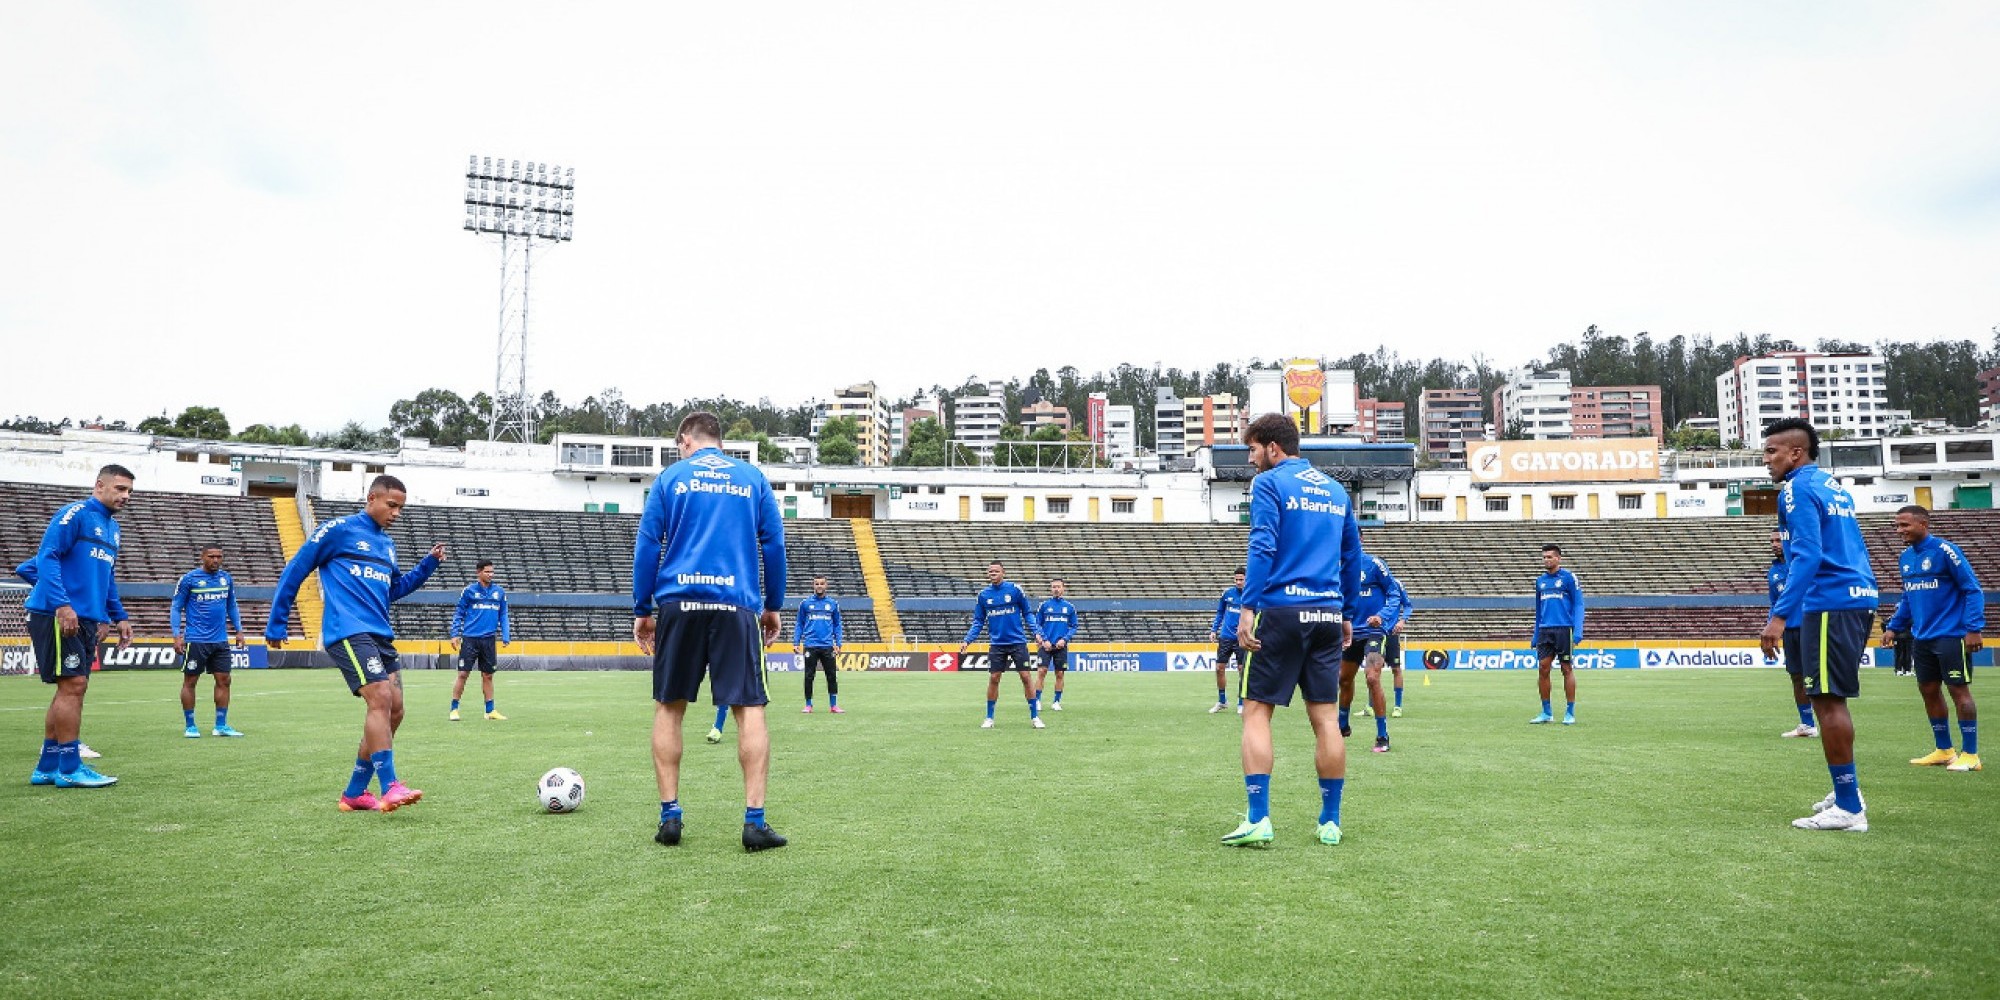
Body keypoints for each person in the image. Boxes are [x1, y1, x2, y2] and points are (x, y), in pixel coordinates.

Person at [633, 412, 788, 851]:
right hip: (735, 604)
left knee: (669, 707)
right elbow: (773, 544)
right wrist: (772, 605)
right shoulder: (751, 478)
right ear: (719, 441)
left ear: (685, 440)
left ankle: (670, 816)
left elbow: (648, 544)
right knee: (749, 707)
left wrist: (643, 609)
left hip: (678, 603)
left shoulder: (671, 478)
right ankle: (754, 822)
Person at [1223, 414, 1363, 848]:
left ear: (1273, 448)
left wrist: (1247, 608)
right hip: (1326, 613)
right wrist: (1347, 613)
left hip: (1281, 612)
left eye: (1253, 450)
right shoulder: (1337, 491)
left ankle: (1259, 817)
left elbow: (1262, 544)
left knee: (1256, 712)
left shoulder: (1269, 484)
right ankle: (1330, 822)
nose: (1251, 460)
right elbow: (1353, 557)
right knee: (1325, 719)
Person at [267, 475, 444, 813]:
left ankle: (354, 793)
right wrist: (277, 620)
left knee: (395, 710)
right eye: (391, 505)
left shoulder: (387, 545)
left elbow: (392, 590)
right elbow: (296, 568)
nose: (396, 513)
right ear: (372, 497)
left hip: (380, 633)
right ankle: (390, 786)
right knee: (379, 697)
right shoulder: (338, 530)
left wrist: (427, 566)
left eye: (401, 509)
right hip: (346, 630)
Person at [1758, 417, 1879, 831]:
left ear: (1797, 452)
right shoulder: (1831, 485)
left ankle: (1849, 808)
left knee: (1826, 702)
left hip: (1830, 600)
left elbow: (1808, 556)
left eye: (1773, 451)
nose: (1766, 459)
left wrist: (1778, 617)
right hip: (1855, 595)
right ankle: (1848, 791)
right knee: (1830, 700)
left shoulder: (1797, 488)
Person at [25, 465, 135, 789]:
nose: (126, 496)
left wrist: (119, 616)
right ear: (99, 485)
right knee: (73, 686)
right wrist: (62, 604)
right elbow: (47, 556)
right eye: (120, 488)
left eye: (129, 491)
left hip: (85, 617)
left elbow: (108, 578)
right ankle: (70, 767)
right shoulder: (75, 514)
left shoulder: (113, 529)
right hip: (59, 614)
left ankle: (47, 766)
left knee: (70, 688)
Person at [1881, 505, 1982, 773]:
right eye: (1897, 525)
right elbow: (1908, 597)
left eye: (1905, 525)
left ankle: (1971, 754)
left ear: (1923, 524)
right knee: (1928, 690)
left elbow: (1972, 589)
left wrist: (1973, 628)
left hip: (1951, 634)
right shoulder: (1905, 558)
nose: (1899, 530)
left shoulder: (1945, 551)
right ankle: (1944, 750)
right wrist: (1893, 627)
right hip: (1921, 637)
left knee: (1958, 691)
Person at [172, 543, 247, 738]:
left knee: (224, 680)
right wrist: (176, 635)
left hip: (220, 640)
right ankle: (190, 726)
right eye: (211, 556)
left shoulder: (226, 579)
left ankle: (220, 726)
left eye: (219, 557)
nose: (216, 560)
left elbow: (232, 606)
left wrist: (239, 631)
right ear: (202, 557)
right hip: (196, 639)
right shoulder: (189, 579)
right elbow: (176, 607)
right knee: (190, 681)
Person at [957, 561, 1043, 729]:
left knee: (1026, 677)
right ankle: (989, 718)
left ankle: (1035, 717)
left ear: (1003, 572)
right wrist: (967, 640)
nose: (992, 573)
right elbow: (978, 621)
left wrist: (1036, 632)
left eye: (996, 571)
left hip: (1018, 642)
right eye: (990, 571)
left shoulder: (1015, 590)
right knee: (994, 678)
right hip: (997, 644)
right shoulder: (984, 595)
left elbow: (1027, 613)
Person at [1338, 554, 1404, 752]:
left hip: (1374, 631)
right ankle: (1342, 726)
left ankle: (1382, 735)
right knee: (1344, 679)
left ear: (1360, 539)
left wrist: (1381, 617)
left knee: (1372, 678)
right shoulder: (1335, 566)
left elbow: (1394, 593)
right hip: (1350, 631)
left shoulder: (1375, 565)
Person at [448, 559, 512, 721]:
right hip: (470, 639)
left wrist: (506, 634)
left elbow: (503, 614)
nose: (491, 574)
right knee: (463, 674)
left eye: (492, 572)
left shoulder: (499, 592)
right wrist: (455, 634)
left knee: (488, 675)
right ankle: (454, 709)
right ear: (479, 572)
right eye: (487, 572)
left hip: (489, 640)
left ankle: (490, 710)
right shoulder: (469, 591)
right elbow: (459, 613)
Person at [1770, 528, 1817, 739]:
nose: (1774, 544)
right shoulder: (1774, 572)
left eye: (1778, 540)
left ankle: (1830, 719)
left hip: (1812, 626)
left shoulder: (1804, 563)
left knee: (1818, 679)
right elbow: (1775, 604)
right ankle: (1807, 724)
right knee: (1796, 677)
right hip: (1790, 630)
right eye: (1772, 541)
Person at [1529, 544, 1585, 725]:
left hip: (1564, 629)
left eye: (1550, 557)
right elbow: (1539, 609)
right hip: (1546, 629)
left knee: (1566, 668)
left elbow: (1578, 604)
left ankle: (1570, 712)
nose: (1546, 560)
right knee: (1543, 668)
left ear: (1558, 558)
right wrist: (1536, 633)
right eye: (1544, 557)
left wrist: (1578, 630)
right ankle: (1547, 712)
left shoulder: (1569, 578)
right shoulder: (1540, 581)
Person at [794, 576, 845, 714]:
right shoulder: (805, 604)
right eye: (817, 584)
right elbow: (799, 624)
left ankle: (833, 705)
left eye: (822, 583)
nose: (819, 586)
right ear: (813, 585)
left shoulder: (833, 604)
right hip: (810, 644)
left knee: (831, 675)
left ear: (826, 585)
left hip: (828, 645)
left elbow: (837, 625)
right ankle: (808, 705)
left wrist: (838, 643)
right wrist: (796, 642)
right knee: (809, 675)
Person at [1034, 579, 1078, 711]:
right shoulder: (1044, 606)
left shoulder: (1069, 607)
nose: (1056, 589)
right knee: (1042, 671)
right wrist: (1044, 640)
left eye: (1058, 587)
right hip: (1045, 645)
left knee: (1060, 674)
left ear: (1063, 588)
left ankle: (1056, 701)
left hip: (1061, 646)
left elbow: (1074, 626)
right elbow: (1037, 625)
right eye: (1053, 587)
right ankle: (1037, 700)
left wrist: (1064, 639)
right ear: (1051, 589)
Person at [1209, 568, 1247, 714]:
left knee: (1242, 670)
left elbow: (1257, 615)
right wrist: (1214, 630)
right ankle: (1222, 701)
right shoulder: (1227, 594)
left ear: (1246, 579)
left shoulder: (1251, 595)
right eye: (1236, 579)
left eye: (1241, 579)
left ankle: (1241, 702)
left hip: (1241, 638)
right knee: (1219, 668)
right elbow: (1220, 612)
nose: (1238, 582)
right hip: (1225, 637)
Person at [1385, 574, 1412, 717]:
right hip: (1373, 632)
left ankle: (1397, 706)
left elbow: (1407, 605)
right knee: (1372, 670)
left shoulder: (1396, 584)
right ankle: (1370, 706)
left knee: (1396, 669)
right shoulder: (1369, 583)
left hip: (1391, 633)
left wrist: (1402, 621)